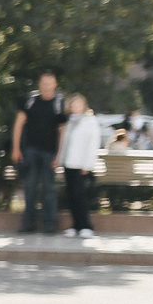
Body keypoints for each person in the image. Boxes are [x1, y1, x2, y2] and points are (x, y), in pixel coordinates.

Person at [11, 72, 63, 235]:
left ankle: (50, 224)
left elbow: (63, 131)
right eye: (44, 83)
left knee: (49, 189)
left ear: (55, 84)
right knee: (30, 187)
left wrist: (59, 155)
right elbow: (18, 124)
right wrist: (16, 148)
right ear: (39, 84)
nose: (47, 86)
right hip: (30, 151)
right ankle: (28, 223)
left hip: (50, 152)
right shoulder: (30, 101)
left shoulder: (59, 103)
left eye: (50, 83)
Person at [59, 92, 104, 237]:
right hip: (69, 164)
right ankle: (76, 225)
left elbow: (93, 144)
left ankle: (86, 226)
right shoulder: (70, 121)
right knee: (71, 196)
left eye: (79, 104)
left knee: (81, 196)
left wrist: (87, 164)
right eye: (73, 104)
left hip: (82, 165)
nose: (76, 106)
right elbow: (65, 143)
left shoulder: (90, 121)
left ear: (84, 105)